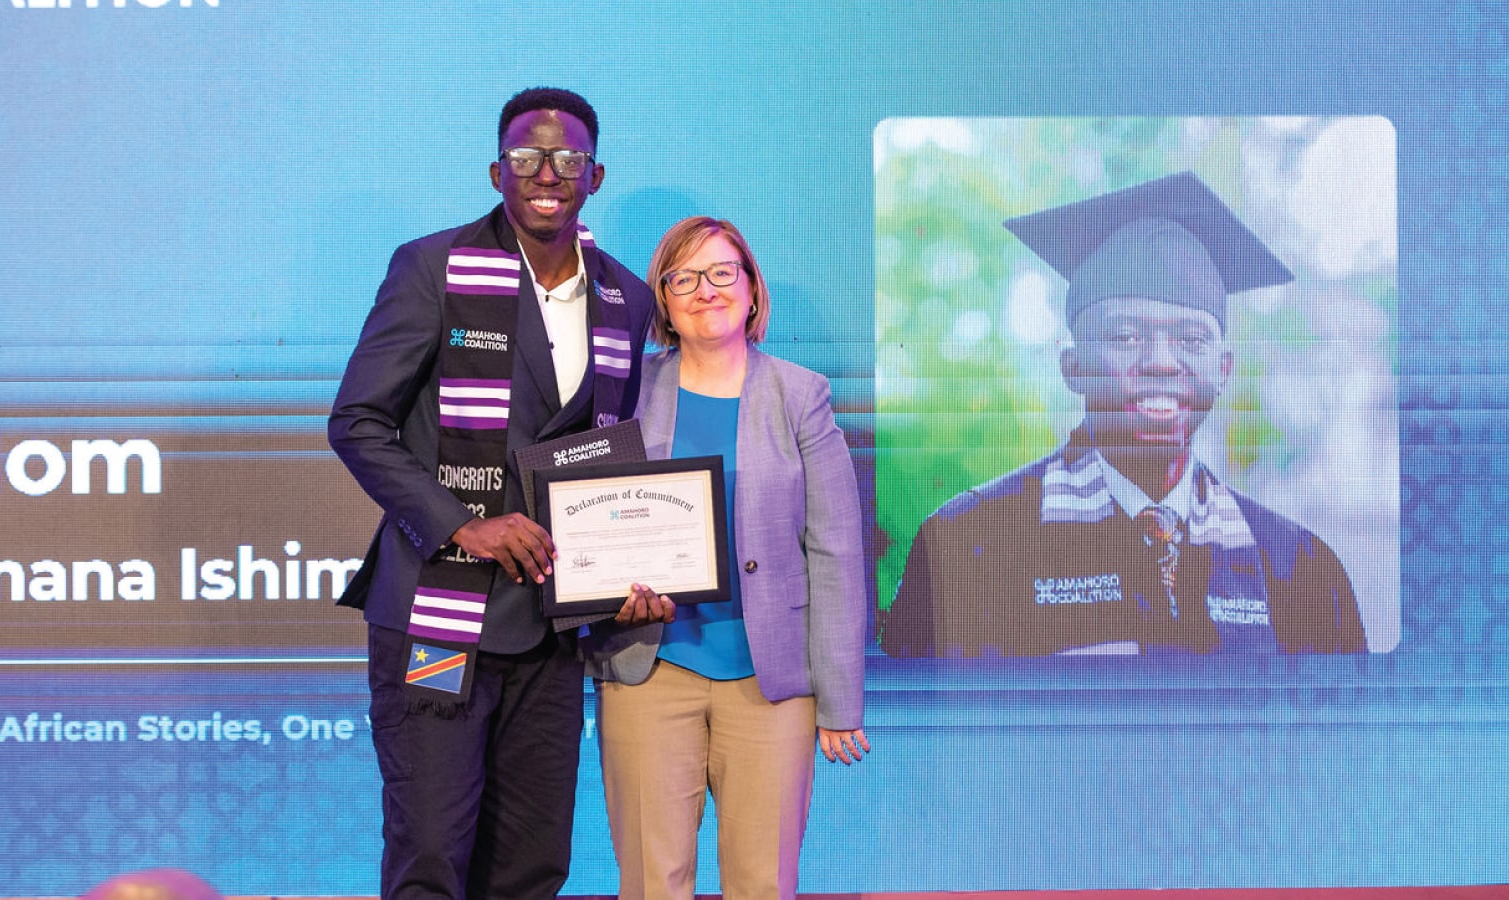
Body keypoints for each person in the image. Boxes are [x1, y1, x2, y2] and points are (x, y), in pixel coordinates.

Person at [327, 87, 657, 900]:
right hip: (440, 616)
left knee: (532, 865)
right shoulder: (432, 268)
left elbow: (607, 456)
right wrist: (459, 525)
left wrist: (628, 567)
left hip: (552, 627)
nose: (547, 172)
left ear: (595, 176)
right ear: (496, 171)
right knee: (432, 854)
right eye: (526, 156)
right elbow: (357, 422)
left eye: (567, 158)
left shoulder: (626, 298)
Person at [881, 172, 1366, 657]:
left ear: (1223, 370)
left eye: (1192, 339)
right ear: (1073, 367)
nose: (1161, 362)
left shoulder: (1301, 573)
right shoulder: (967, 548)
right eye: (1125, 336)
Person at [581, 216, 870, 900]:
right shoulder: (625, 391)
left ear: (751, 288)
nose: (705, 290)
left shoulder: (801, 395)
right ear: (662, 301)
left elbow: (835, 550)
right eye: (682, 278)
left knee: (763, 884)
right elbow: (591, 523)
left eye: (720, 272)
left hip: (771, 683)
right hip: (650, 672)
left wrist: (841, 700)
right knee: (652, 884)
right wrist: (607, 592)